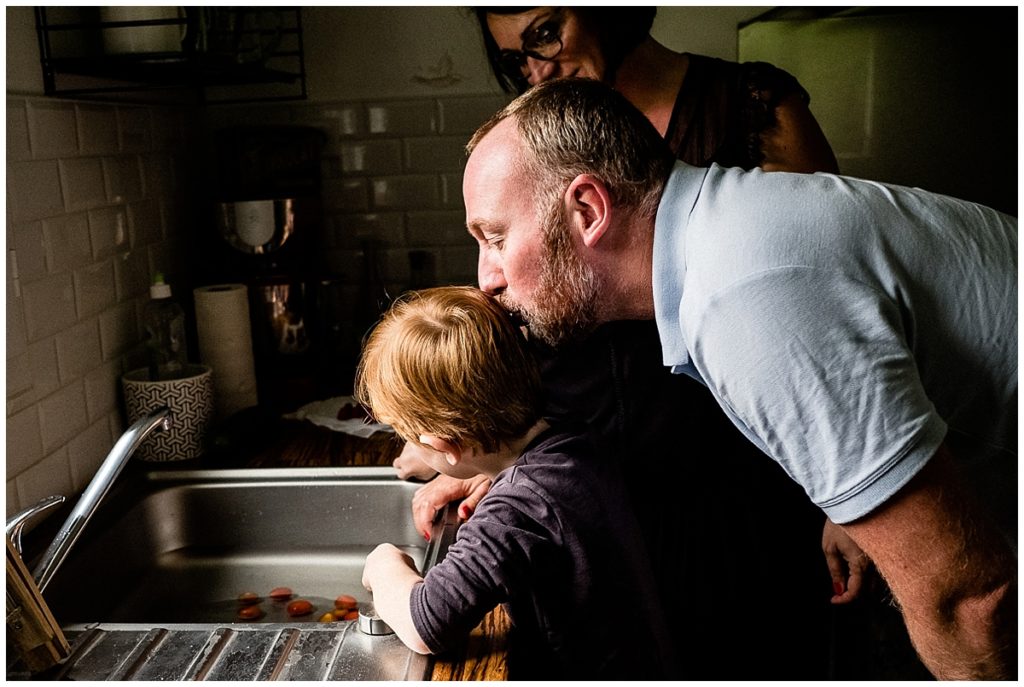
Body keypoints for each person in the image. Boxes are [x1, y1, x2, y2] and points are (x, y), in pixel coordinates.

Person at [459, 77, 1017, 680]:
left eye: (495, 237)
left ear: (589, 209)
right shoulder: (731, 233)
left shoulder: (740, 295)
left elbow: (966, 602)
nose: (486, 276)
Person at [399, 7, 848, 678]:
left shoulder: (749, 108)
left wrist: (848, 495)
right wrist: (510, 454)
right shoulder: (530, 140)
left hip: (740, 488)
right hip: (600, 495)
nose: (536, 67)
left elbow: (830, 306)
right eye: (516, 57)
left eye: (546, 33)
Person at [355, 285, 676, 679]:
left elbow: (427, 624)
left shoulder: (517, 508)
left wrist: (385, 564)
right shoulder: (574, 442)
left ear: (446, 445)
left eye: (409, 435)